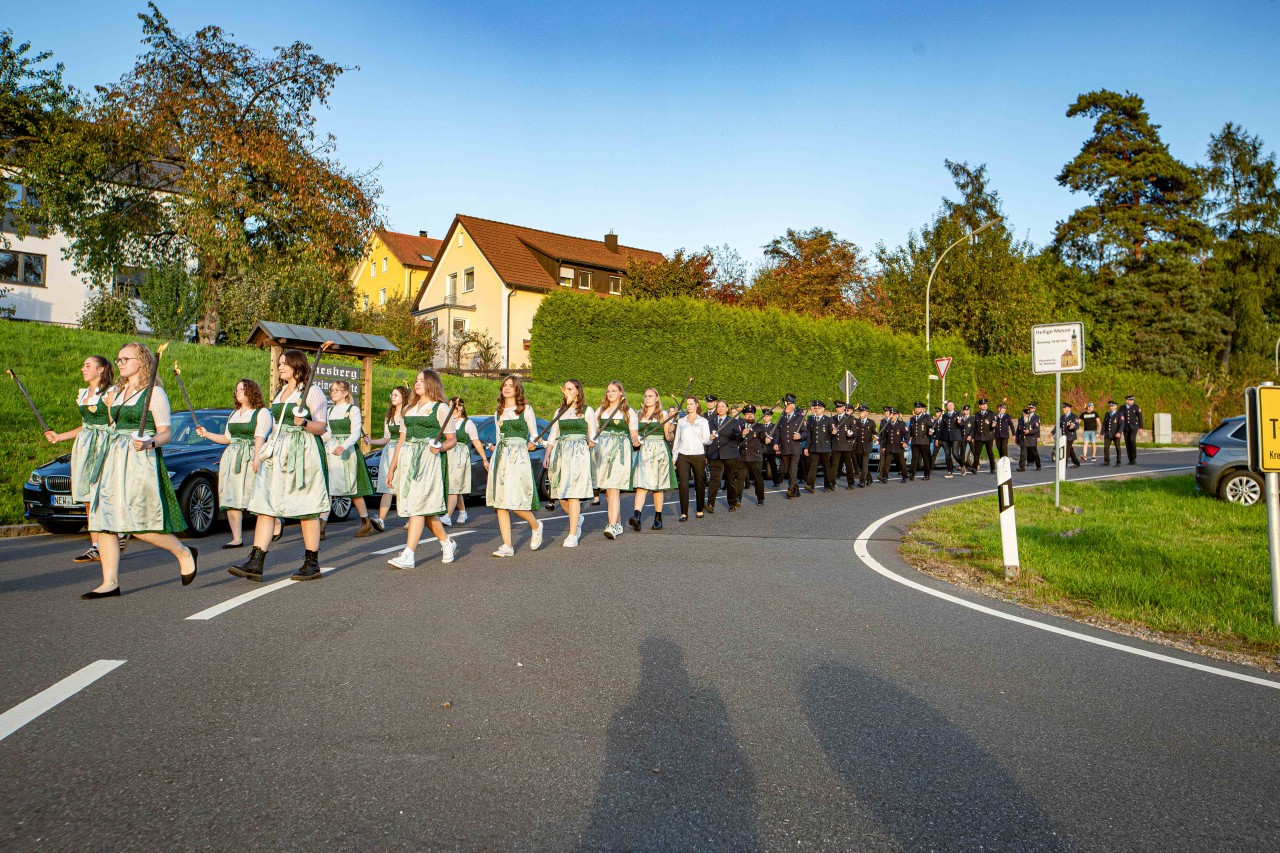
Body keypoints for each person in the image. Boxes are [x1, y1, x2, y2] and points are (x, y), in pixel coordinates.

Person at [83, 343, 197, 598]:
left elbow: (165, 432)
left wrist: (149, 442)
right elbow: (111, 425)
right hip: (113, 459)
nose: (120, 363)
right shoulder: (117, 392)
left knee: (140, 524)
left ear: (142, 362)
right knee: (105, 522)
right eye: (119, 358)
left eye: (126, 358)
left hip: (138, 460)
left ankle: (183, 552)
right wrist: (111, 407)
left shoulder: (154, 394)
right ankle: (110, 582)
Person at [231, 348, 330, 583]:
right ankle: (256, 561)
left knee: (307, 507)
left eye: (285, 363)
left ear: (297, 366)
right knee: (266, 504)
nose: (280, 367)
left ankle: (311, 562)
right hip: (277, 451)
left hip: (302, 451)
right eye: (279, 364)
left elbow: (322, 427)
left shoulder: (312, 391)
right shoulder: (280, 391)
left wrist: (305, 422)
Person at [44, 355, 127, 563]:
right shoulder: (83, 394)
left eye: (87, 366)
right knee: (87, 497)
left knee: (103, 494)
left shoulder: (111, 392)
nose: (83, 369)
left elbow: (115, 423)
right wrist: (59, 436)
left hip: (104, 445)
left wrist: (110, 408)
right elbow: (85, 425)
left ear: (100, 370)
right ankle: (96, 546)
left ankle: (119, 532)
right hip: (85, 445)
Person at [385, 368, 458, 568]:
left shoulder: (440, 408)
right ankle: (447, 542)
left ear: (431, 384)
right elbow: (401, 439)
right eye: (416, 380)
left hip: (428, 459)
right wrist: (392, 468)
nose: (417, 384)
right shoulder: (408, 408)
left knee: (417, 506)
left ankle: (409, 553)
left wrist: (440, 447)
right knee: (425, 510)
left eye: (421, 381)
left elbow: (452, 439)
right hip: (408, 459)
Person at [196, 379, 270, 549]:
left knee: (254, 494)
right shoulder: (234, 414)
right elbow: (227, 439)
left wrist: (257, 457)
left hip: (250, 454)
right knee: (231, 496)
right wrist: (207, 434)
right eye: (236, 390)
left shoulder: (262, 413)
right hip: (231, 456)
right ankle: (237, 538)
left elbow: (260, 437)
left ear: (251, 391)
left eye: (242, 389)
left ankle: (275, 522)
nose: (238, 392)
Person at [488, 374, 545, 554]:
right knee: (501, 503)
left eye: (510, 386)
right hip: (501, 456)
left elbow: (534, 434)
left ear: (517, 389)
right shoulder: (498, 411)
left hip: (519, 455)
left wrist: (533, 442)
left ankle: (536, 525)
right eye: (504, 385)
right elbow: (498, 437)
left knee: (516, 501)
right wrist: (494, 455)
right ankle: (508, 545)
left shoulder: (525, 409)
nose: (506, 388)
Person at [545, 379, 595, 546]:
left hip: (579, 454)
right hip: (561, 453)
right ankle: (577, 517)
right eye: (565, 389)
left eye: (570, 389)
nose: (566, 391)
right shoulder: (560, 411)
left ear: (578, 392)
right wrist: (547, 455)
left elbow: (593, 435)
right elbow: (553, 436)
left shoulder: (587, 411)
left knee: (573, 494)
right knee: (561, 495)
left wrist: (591, 441)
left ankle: (573, 534)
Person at [324, 380, 376, 537]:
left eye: (337, 390)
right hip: (332, 451)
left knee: (352, 489)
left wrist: (343, 446)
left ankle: (366, 522)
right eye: (332, 390)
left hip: (348, 452)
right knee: (329, 487)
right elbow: (328, 433)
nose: (333, 392)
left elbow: (355, 433)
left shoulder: (352, 410)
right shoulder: (330, 411)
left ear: (345, 392)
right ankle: (321, 526)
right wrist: (317, 438)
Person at [630, 388, 677, 529]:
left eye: (650, 396)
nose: (647, 398)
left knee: (657, 487)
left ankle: (658, 517)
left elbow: (668, 438)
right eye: (645, 396)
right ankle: (637, 516)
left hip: (658, 451)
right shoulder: (638, 415)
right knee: (641, 485)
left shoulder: (663, 415)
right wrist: (635, 440)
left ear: (657, 398)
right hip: (643, 451)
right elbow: (634, 434)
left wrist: (670, 431)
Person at [366, 386, 408, 531]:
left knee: (403, 485)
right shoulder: (389, 416)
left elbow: (405, 438)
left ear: (404, 396)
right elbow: (386, 438)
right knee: (387, 487)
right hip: (389, 452)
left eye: (396, 394)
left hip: (403, 451)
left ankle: (410, 517)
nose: (392, 397)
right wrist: (371, 442)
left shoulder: (408, 414)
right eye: (392, 394)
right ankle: (381, 520)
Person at [443, 397, 486, 526]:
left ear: (460, 407)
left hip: (459, 456)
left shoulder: (467, 423)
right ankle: (462, 511)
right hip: (447, 454)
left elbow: (476, 442)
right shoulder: (447, 422)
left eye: (452, 406)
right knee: (454, 486)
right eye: (449, 406)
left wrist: (484, 459)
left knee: (453, 486)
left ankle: (447, 516)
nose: (450, 409)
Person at [671, 395, 710, 521]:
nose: (688, 406)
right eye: (687, 404)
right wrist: (674, 457)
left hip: (698, 455)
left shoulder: (703, 422)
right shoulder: (682, 422)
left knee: (700, 483)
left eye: (691, 404)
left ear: (696, 405)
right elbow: (677, 440)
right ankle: (683, 513)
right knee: (683, 484)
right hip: (683, 456)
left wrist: (711, 439)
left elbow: (706, 440)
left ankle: (699, 510)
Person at [706, 398, 744, 511]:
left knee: (730, 479)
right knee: (714, 479)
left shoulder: (733, 421)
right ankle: (710, 504)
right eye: (719, 407)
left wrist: (743, 434)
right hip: (715, 454)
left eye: (723, 406)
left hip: (729, 454)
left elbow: (739, 438)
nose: (720, 408)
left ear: (727, 409)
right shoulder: (711, 421)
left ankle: (732, 503)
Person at [773, 394, 807, 498]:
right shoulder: (781, 418)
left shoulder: (800, 418)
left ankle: (790, 489)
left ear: (792, 405)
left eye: (787, 404)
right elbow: (777, 433)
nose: (785, 405)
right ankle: (795, 488)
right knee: (786, 469)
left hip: (795, 447)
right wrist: (775, 443)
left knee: (793, 468)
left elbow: (805, 432)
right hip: (785, 447)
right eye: (785, 403)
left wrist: (800, 436)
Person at [737, 405, 768, 504]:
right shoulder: (740, 426)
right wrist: (742, 434)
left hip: (755, 456)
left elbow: (763, 437)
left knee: (758, 478)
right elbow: (736, 439)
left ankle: (760, 498)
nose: (749, 416)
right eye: (747, 414)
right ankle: (738, 498)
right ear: (744, 416)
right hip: (743, 456)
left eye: (751, 414)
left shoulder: (759, 426)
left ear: (754, 415)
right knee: (740, 478)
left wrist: (766, 439)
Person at [804, 400, 835, 492]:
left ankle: (827, 485)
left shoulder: (828, 419)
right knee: (812, 466)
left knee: (826, 467)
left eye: (819, 408)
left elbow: (832, 432)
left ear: (823, 409)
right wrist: (806, 447)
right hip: (814, 447)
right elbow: (809, 434)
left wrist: (834, 432)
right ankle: (810, 485)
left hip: (824, 447)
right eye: (815, 408)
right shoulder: (810, 418)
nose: (816, 410)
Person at [878, 408, 909, 484]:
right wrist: (883, 446)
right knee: (886, 463)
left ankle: (904, 476)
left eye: (894, 414)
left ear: (897, 415)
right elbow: (884, 437)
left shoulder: (902, 424)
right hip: (889, 446)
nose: (892, 416)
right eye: (891, 414)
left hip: (898, 446)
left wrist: (905, 442)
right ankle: (885, 477)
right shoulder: (887, 424)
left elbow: (907, 434)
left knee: (901, 463)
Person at [831, 403, 857, 489]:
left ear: (843, 408)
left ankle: (851, 483)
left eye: (839, 407)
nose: (837, 409)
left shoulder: (850, 418)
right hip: (836, 444)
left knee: (848, 464)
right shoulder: (833, 418)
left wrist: (851, 434)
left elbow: (855, 432)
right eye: (836, 407)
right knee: (834, 464)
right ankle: (832, 483)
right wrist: (832, 432)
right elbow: (829, 431)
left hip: (846, 444)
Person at [907, 401, 934, 481]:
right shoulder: (912, 419)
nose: (917, 409)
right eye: (916, 408)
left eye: (919, 408)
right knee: (914, 458)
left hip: (924, 441)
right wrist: (909, 438)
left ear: (922, 409)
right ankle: (912, 474)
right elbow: (910, 430)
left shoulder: (927, 417)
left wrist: (931, 432)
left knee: (926, 458)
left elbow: (932, 428)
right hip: (915, 441)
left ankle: (926, 474)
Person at [971, 398, 998, 474]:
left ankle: (992, 468)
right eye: (983, 405)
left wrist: (993, 426)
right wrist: (973, 437)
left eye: (985, 404)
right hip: (979, 436)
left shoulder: (991, 413)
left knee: (990, 452)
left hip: (988, 436)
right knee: (977, 453)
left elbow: (994, 425)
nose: (985, 406)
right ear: (980, 406)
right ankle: (974, 468)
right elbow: (975, 427)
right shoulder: (977, 414)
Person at [936, 401, 962, 478]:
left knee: (955, 453)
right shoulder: (944, 416)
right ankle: (950, 472)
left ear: (954, 406)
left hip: (955, 437)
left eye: (951, 405)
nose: (950, 406)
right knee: (947, 455)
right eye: (948, 405)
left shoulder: (958, 414)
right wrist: (937, 439)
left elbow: (963, 425)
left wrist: (959, 422)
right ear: (947, 406)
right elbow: (941, 428)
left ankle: (962, 464)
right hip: (946, 437)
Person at [852, 405, 876, 487]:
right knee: (861, 465)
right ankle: (869, 478)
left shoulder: (871, 422)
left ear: (867, 413)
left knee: (865, 464)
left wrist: (876, 438)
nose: (861, 413)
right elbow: (853, 432)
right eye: (860, 412)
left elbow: (875, 433)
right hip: (858, 446)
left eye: (863, 412)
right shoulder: (856, 422)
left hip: (867, 446)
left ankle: (862, 481)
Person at [1016, 404, 1042, 472]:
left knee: (1034, 453)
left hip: (1031, 439)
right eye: (1025, 414)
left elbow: (1036, 430)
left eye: (1027, 414)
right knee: (1023, 454)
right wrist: (1017, 440)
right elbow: (1018, 430)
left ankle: (1038, 465)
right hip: (1023, 439)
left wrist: (1029, 431)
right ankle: (1022, 467)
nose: (1026, 415)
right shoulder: (1020, 420)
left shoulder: (1034, 420)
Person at [759, 406, 781, 485]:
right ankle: (758, 481)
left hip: (770, 448)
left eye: (767, 416)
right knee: (759, 466)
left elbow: (777, 436)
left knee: (773, 465)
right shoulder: (760, 426)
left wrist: (772, 441)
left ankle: (776, 481)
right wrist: (765, 438)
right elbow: (759, 436)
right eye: (764, 416)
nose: (765, 418)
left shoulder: (774, 426)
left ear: (771, 417)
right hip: (762, 448)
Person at [1102, 400, 1126, 466]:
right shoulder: (1107, 414)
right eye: (1110, 406)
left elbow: (1121, 424)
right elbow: (1104, 424)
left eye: (1112, 406)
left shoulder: (1119, 414)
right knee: (1106, 447)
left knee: (1117, 447)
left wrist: (1119, 432)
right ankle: (1106, 461)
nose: (1111, 407)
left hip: (1116, 434)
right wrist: (1102, 433)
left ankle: (1118, 461)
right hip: (1108, 434)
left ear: (1116, 406)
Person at [1121, 394, 1143, 464]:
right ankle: (1130, 459)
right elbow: (1120, 418)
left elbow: (1140, 417)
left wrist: (1140, 427)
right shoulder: (1122, 407)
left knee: (1132, 439)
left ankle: (1134, 457)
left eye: (1133, 400)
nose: (1132, 401)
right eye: (1131, 400)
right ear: (1127, 401)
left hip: (1134, 427)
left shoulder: (1136, 407)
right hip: (1125, 427)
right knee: (1127, 443)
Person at [1059, 403, 1081, 468]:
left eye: (1065, 408)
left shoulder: (1074, 416)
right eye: (1063, 408)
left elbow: (1077, 425)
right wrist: (1052, 432)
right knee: (1070, 449)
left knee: (1066, 450)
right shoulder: (1062, 417)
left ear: (1069, 408)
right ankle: (1076, 462)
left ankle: (1064, 465)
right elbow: (1059, 425)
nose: (1063, 409)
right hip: (1064, 435)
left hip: (1070, 436)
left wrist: (1073, 426)